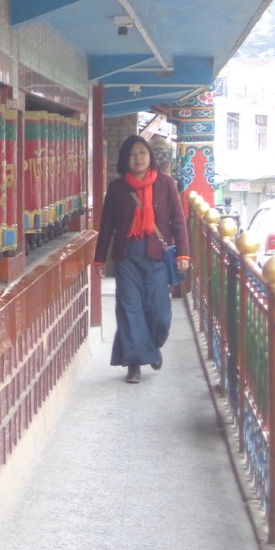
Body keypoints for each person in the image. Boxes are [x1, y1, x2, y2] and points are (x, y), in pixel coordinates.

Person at [92, 135, 191, 384]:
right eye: (133, 154)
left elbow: (178, 222)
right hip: (127, 258)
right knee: (129, 309)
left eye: (142, 153)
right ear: (125, 159)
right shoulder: (116, 189)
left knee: (159, 313)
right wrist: (100, 259)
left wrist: (183, 253)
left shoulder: (166, 184)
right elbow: (106, 226)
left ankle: (151, 346)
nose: (138, 158)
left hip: (156, 255)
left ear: (150, 157)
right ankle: (134, 364)